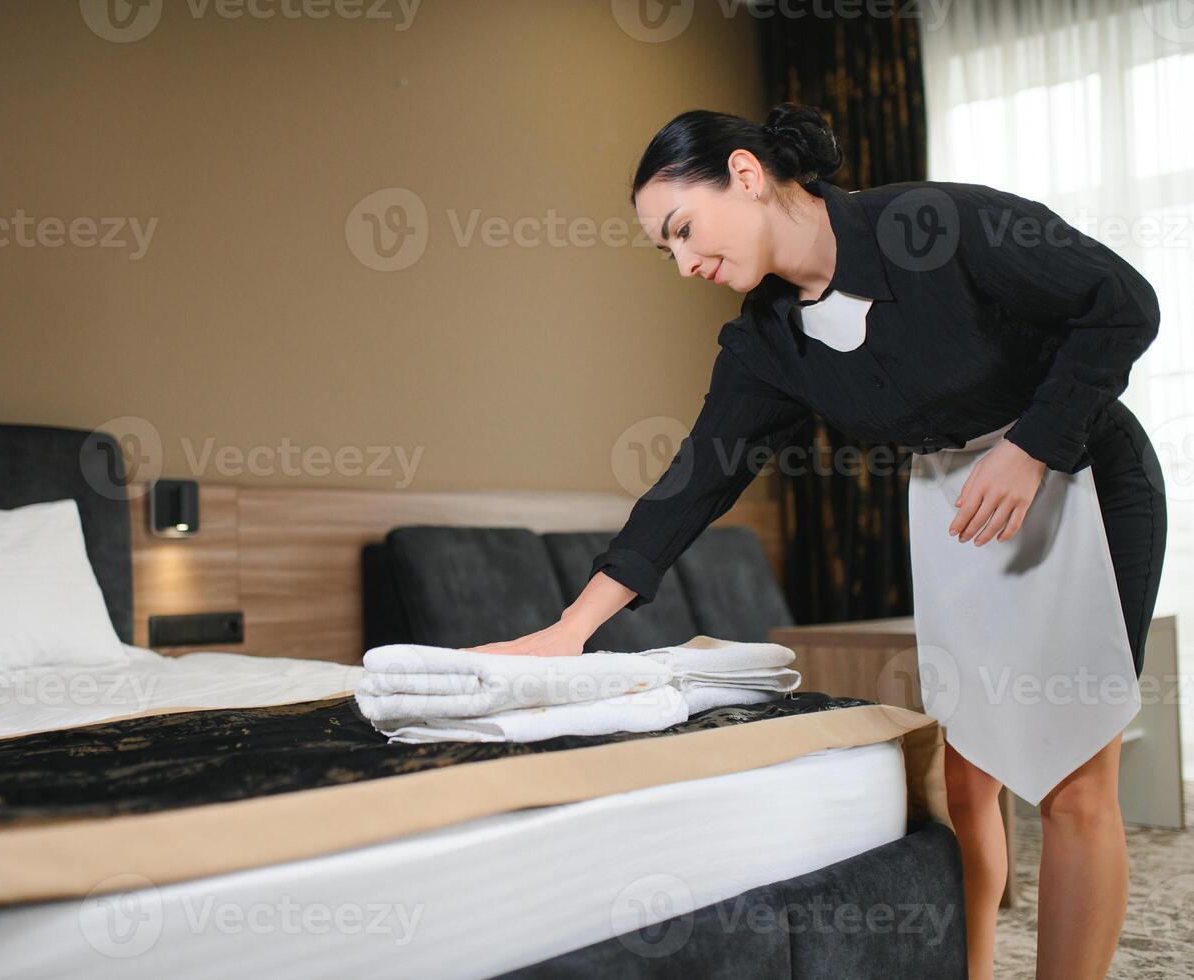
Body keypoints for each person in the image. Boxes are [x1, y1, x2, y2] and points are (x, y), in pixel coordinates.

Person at [465, 102, 1166, 980]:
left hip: (1078, 475)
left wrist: (1030, 446)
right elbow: (694, 481)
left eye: (683, 229)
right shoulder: (766, 342)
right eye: (665, 251)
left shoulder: (937, 222)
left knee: (1073, 780)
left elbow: (1120, 302)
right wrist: (572, 627)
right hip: (954, 510)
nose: (682, 264)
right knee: (966, 777)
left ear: (748, 175)